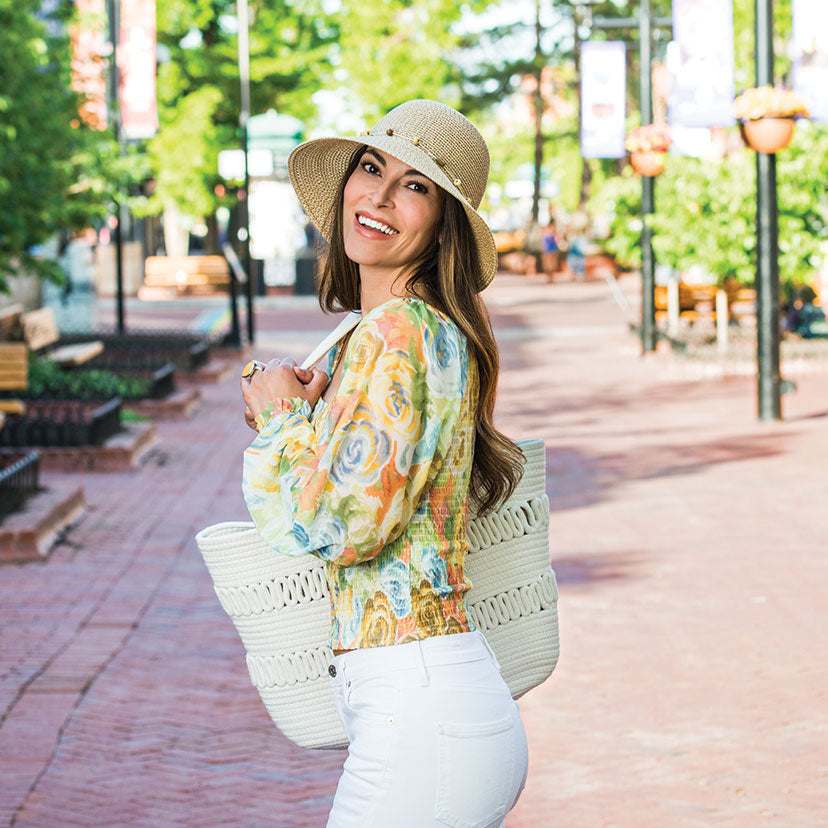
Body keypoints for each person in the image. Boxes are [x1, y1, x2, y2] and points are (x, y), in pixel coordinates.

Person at [239, 99, 529, 828]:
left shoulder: (397, 334)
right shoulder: (400, 331)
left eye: (415, 185)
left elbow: (345, 524)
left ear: (442, 226)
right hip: (425, 707)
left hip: (421, 709)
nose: (380, 195)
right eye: (372, 168)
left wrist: (279, 419)